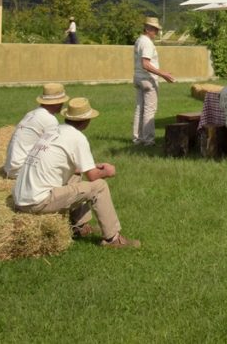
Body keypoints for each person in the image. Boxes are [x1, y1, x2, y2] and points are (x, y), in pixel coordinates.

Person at [13, 97, 139, 248]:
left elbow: (75, 167)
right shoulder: (77, 137)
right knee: (100, 186)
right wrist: (108, 171)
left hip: (22, 197)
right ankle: (112, 238)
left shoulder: (54, 131)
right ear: (86, 121)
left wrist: (92, 166)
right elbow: (92, 176)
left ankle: (79, 226)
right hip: (36, 202)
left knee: (75, 175)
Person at [3, 83, 69, 178]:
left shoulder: (31, 113)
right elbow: (55, 150)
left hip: (11, 167)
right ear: (57, 103)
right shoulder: (49, 119)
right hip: (21, 170)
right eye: (62, 102)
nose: (63, 105)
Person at [132, 17, 175, 147]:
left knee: (139, 109)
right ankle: (148, 140)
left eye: (156, 30)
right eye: (154, 29)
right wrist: (164, 74)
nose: (155, 32)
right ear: (147, 29)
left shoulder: (139, 40)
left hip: (138, 77)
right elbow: (146, 64)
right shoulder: (147, 43)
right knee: (149, 110)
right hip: (147, 79)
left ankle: (137, 138)